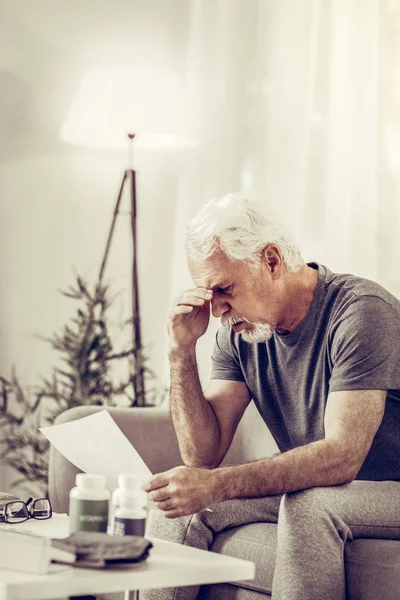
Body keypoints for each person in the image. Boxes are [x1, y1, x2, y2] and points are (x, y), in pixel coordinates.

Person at [142, 193, 400, 600]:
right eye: (208, 294)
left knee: (308, 505)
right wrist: (180, 350)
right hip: (333, 485)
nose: (218, 309)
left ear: (272, 261)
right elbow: (202, 456)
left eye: (225, 288)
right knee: (179, 504)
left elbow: (343, 455)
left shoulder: (361, 311)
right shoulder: (238, 330)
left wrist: (218, 485)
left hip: (388, 487)